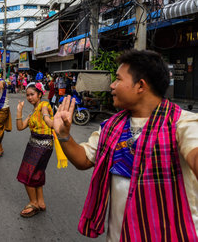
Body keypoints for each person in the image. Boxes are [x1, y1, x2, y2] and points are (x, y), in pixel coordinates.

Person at [54, 50, 198, 241]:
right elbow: (83, 160)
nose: (112, 85)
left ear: (140, 85)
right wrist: (63, 135)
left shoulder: (182, 123)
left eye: (118, 79)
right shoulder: (111, 127)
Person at [16, 82, 67, 218]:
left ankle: (33, 203)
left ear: (40, 94)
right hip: (33, 143)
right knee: (37, 172)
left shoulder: (44, 105)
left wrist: (47, 118)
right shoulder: (33, 112)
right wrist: (19, 110)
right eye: (27, 95)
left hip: (43, 144)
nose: (29, 97)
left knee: (26, 173)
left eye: (32, 94)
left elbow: (49, 121)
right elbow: (20, 127)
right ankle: (41, 202)